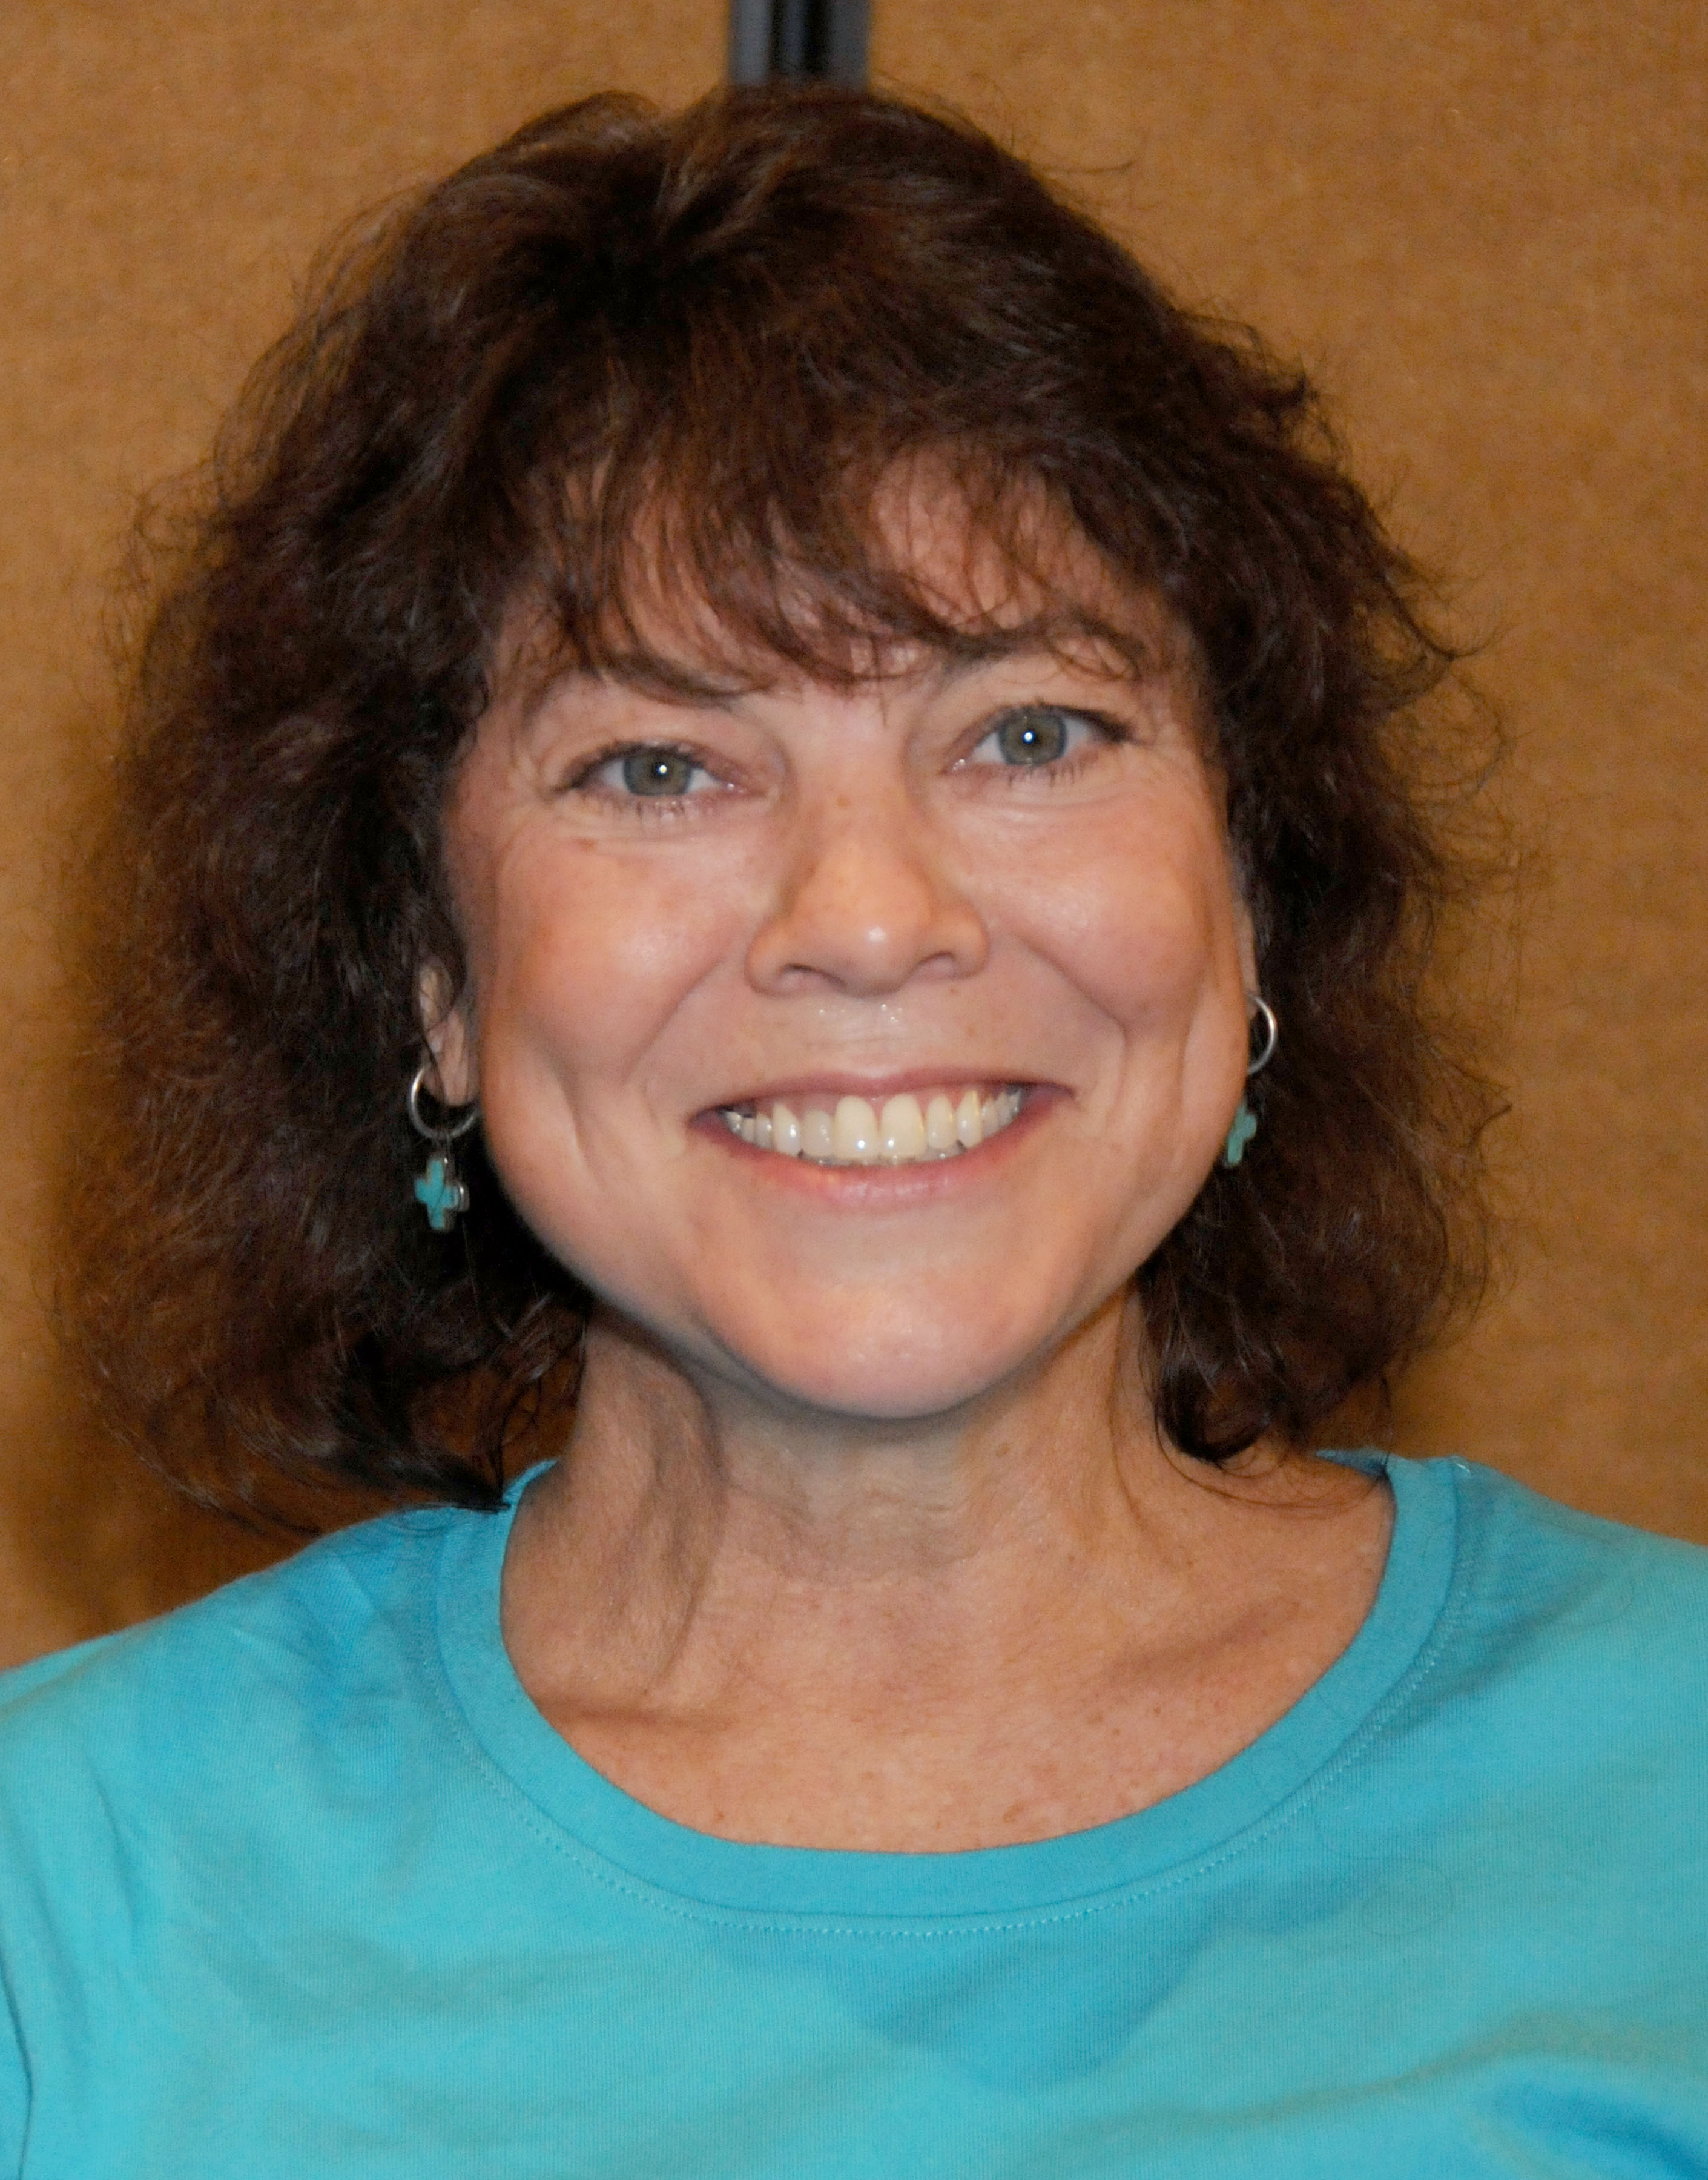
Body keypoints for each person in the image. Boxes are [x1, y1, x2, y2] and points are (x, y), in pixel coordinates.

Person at [1, 83, 1704, 2179]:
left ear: (1251, 884)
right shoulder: (63, 1906)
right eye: (654, 769)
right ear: (429, 976)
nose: (874, 919)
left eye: (1029, 732)